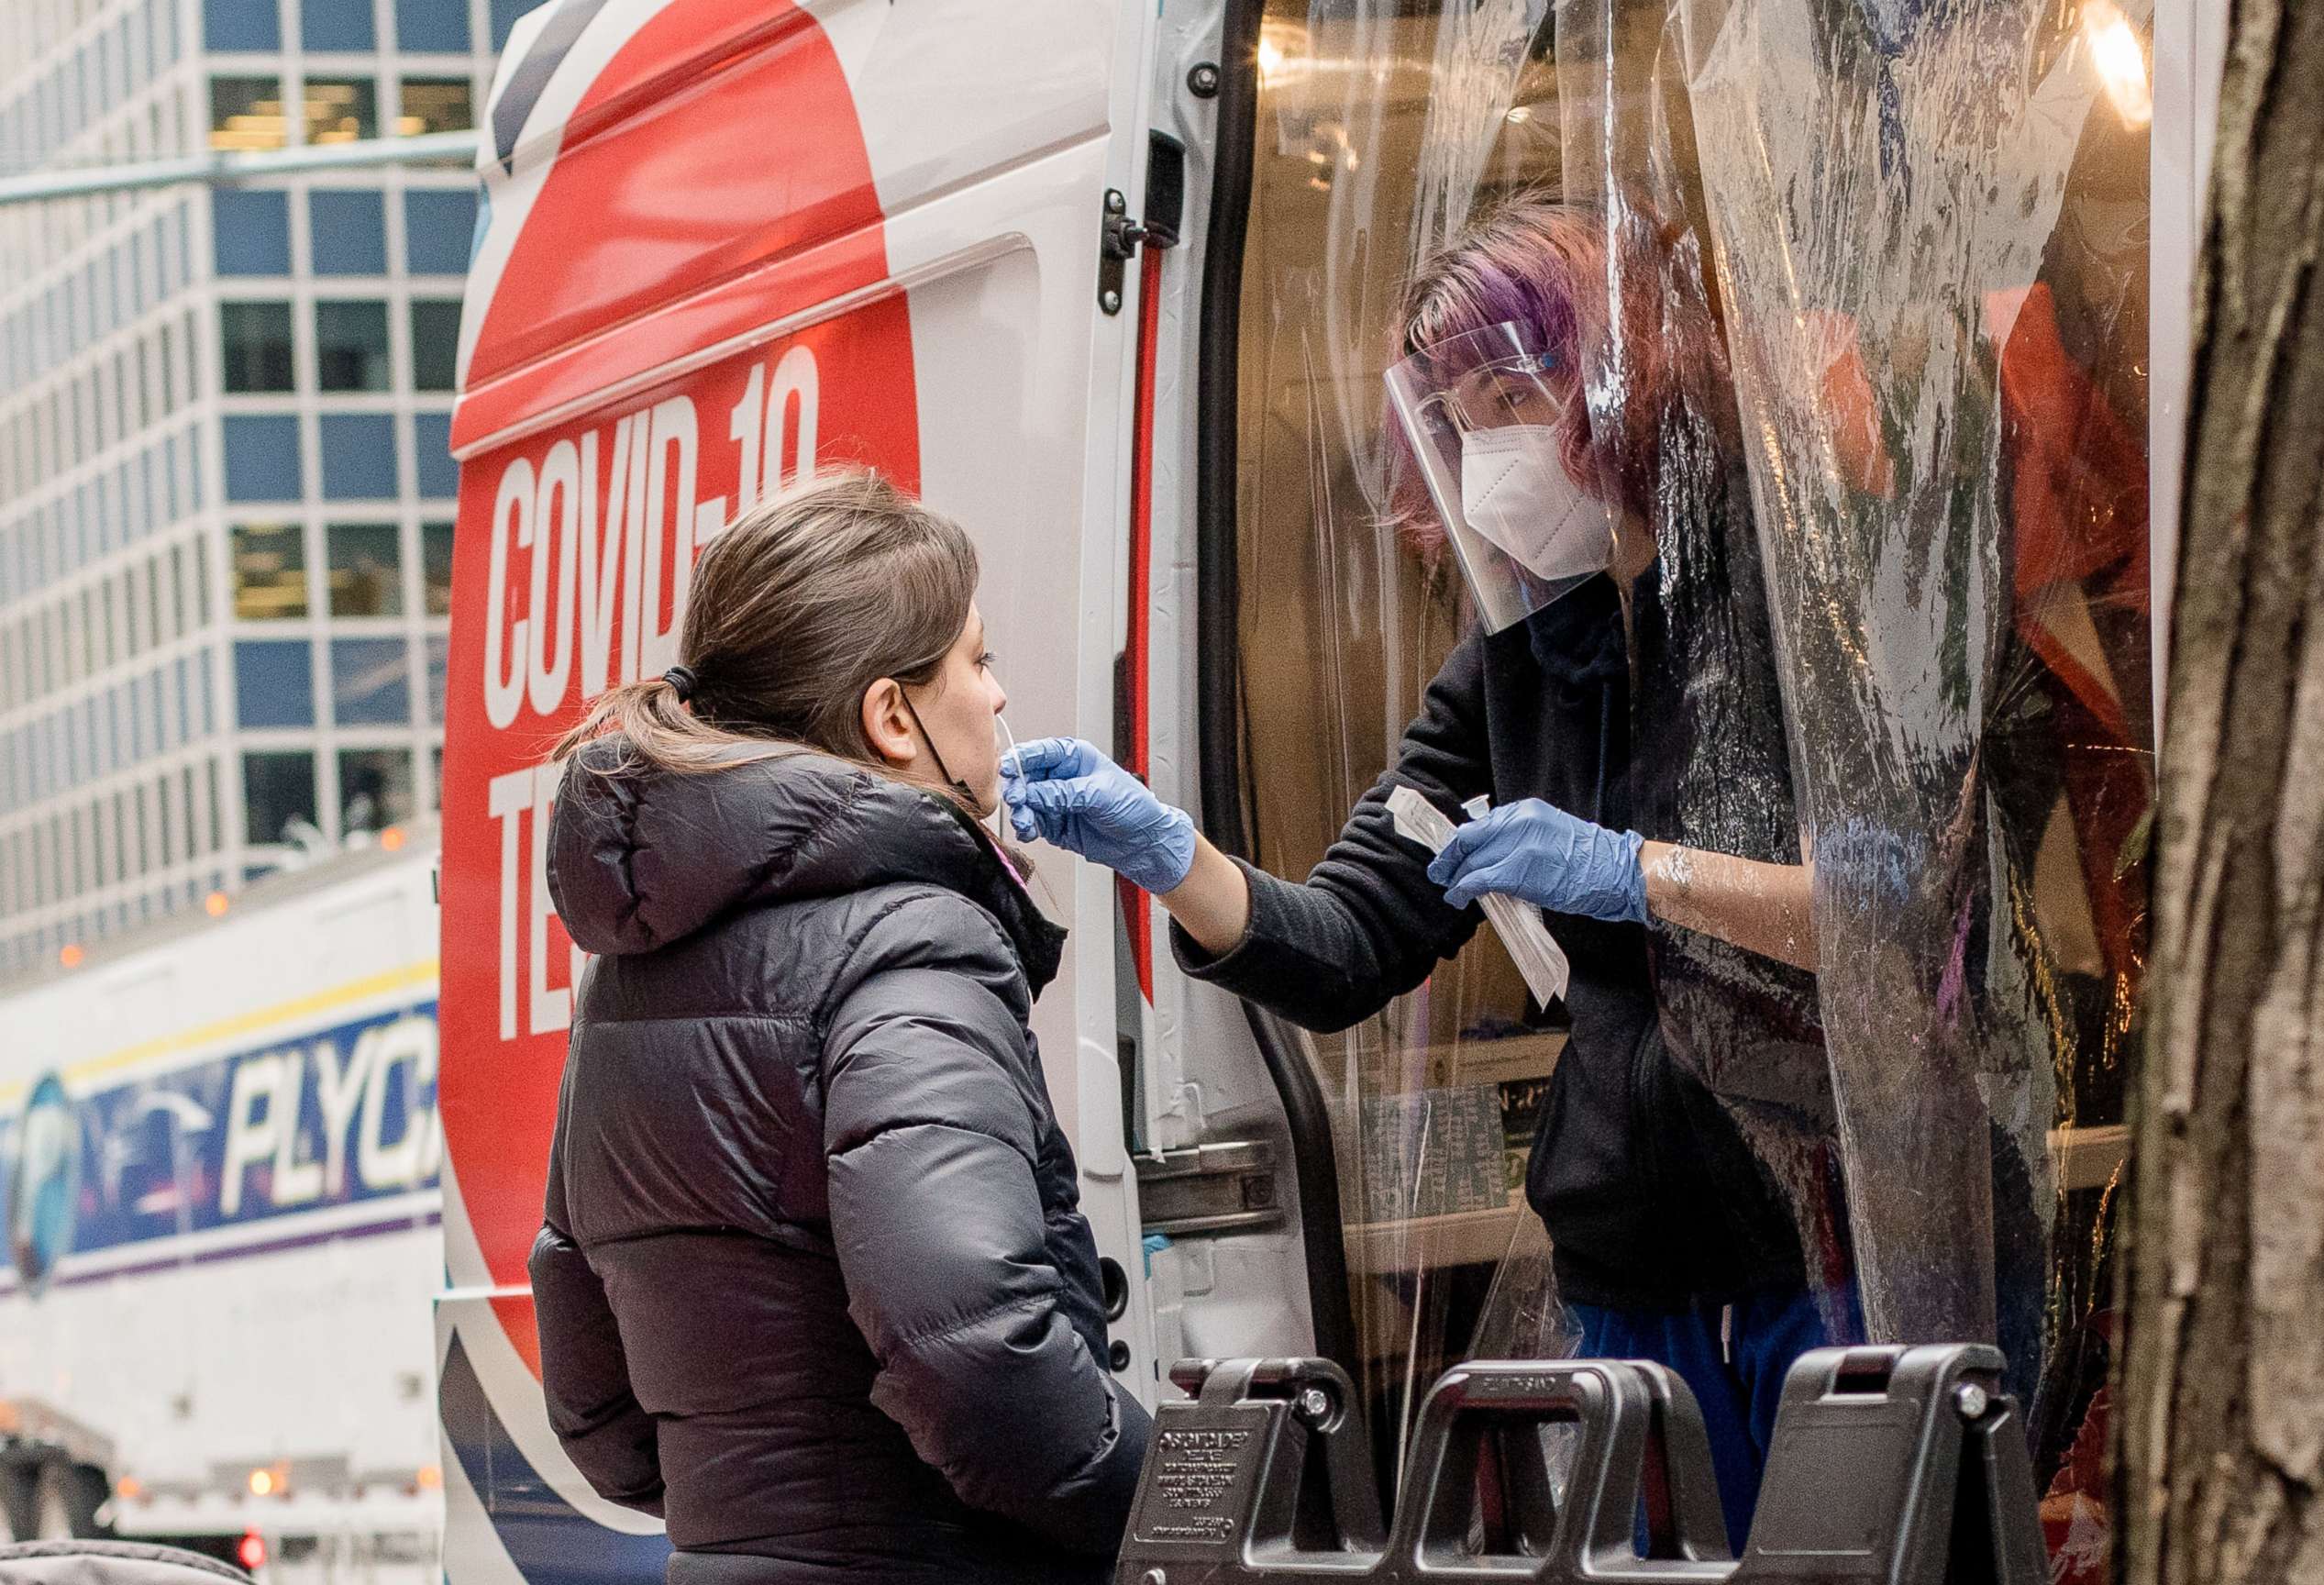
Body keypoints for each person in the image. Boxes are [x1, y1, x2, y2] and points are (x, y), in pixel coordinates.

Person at [1004, 199, 1849, 1549]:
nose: (1491, 446)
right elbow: (1346, 940)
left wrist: (1640, 873)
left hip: (1835, 1254)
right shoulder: (1512, 665)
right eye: (1459, 416)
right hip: (1633, 1278)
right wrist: (1176, 858)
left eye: (1518, 390)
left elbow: (1890, 909)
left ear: (1636, 379)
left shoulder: (1799, 604)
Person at [530, 470, 1150, 1584]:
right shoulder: (911, 940)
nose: (998, 698)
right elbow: (977, 1359)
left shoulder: (625, 981)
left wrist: (762, 1501)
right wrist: (1160, 1505)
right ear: (888, 715)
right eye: (977, 660)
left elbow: (601, 1412)